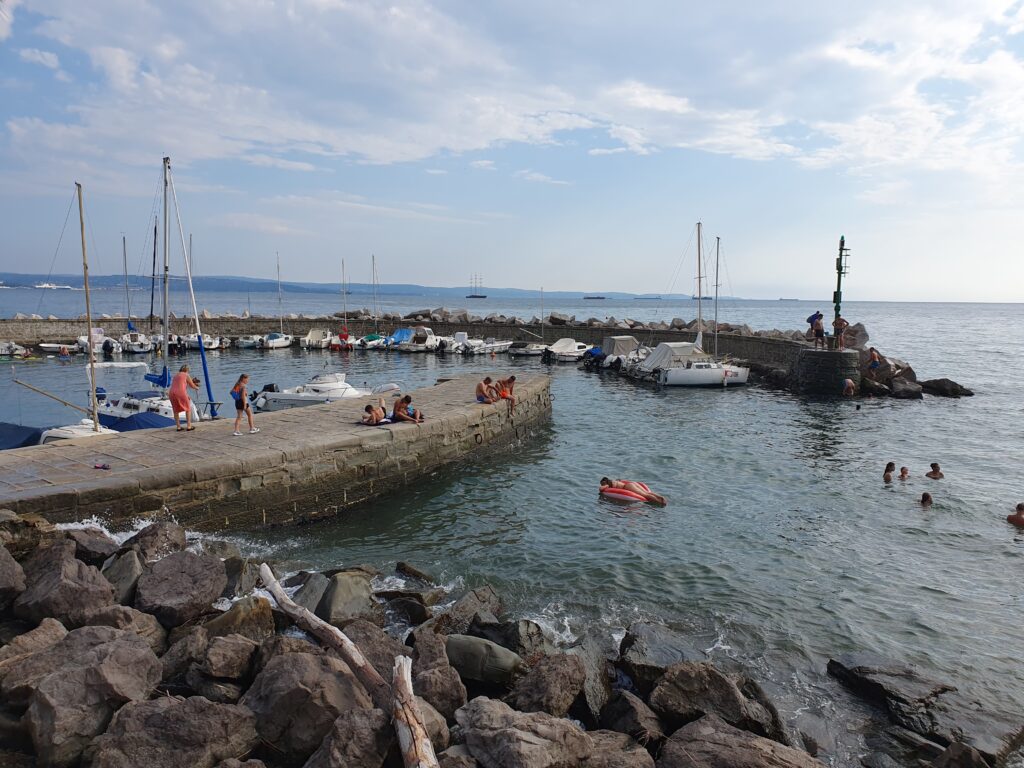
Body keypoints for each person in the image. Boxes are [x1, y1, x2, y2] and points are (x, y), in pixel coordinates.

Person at [169, 364, 199, 431]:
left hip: (171, 393)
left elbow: (179, 385)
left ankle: (178, 427)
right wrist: (197, 387)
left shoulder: (176, 375)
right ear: (186, 370)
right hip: (180, 392)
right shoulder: (186, 375)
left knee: (175, 410)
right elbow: (192, 385)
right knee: (188, 408)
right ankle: (189, 426)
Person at [600, 477, 667, 505]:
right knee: (648, 492)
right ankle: (661, 497)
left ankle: (660, 503)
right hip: (632, 483)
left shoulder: (608, 485)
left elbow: (601, 489)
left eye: (602, 483)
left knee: (646, 495)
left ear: (605, 482)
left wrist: (603, 485)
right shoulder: (615, 481)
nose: (602, 484)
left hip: (628, 486)